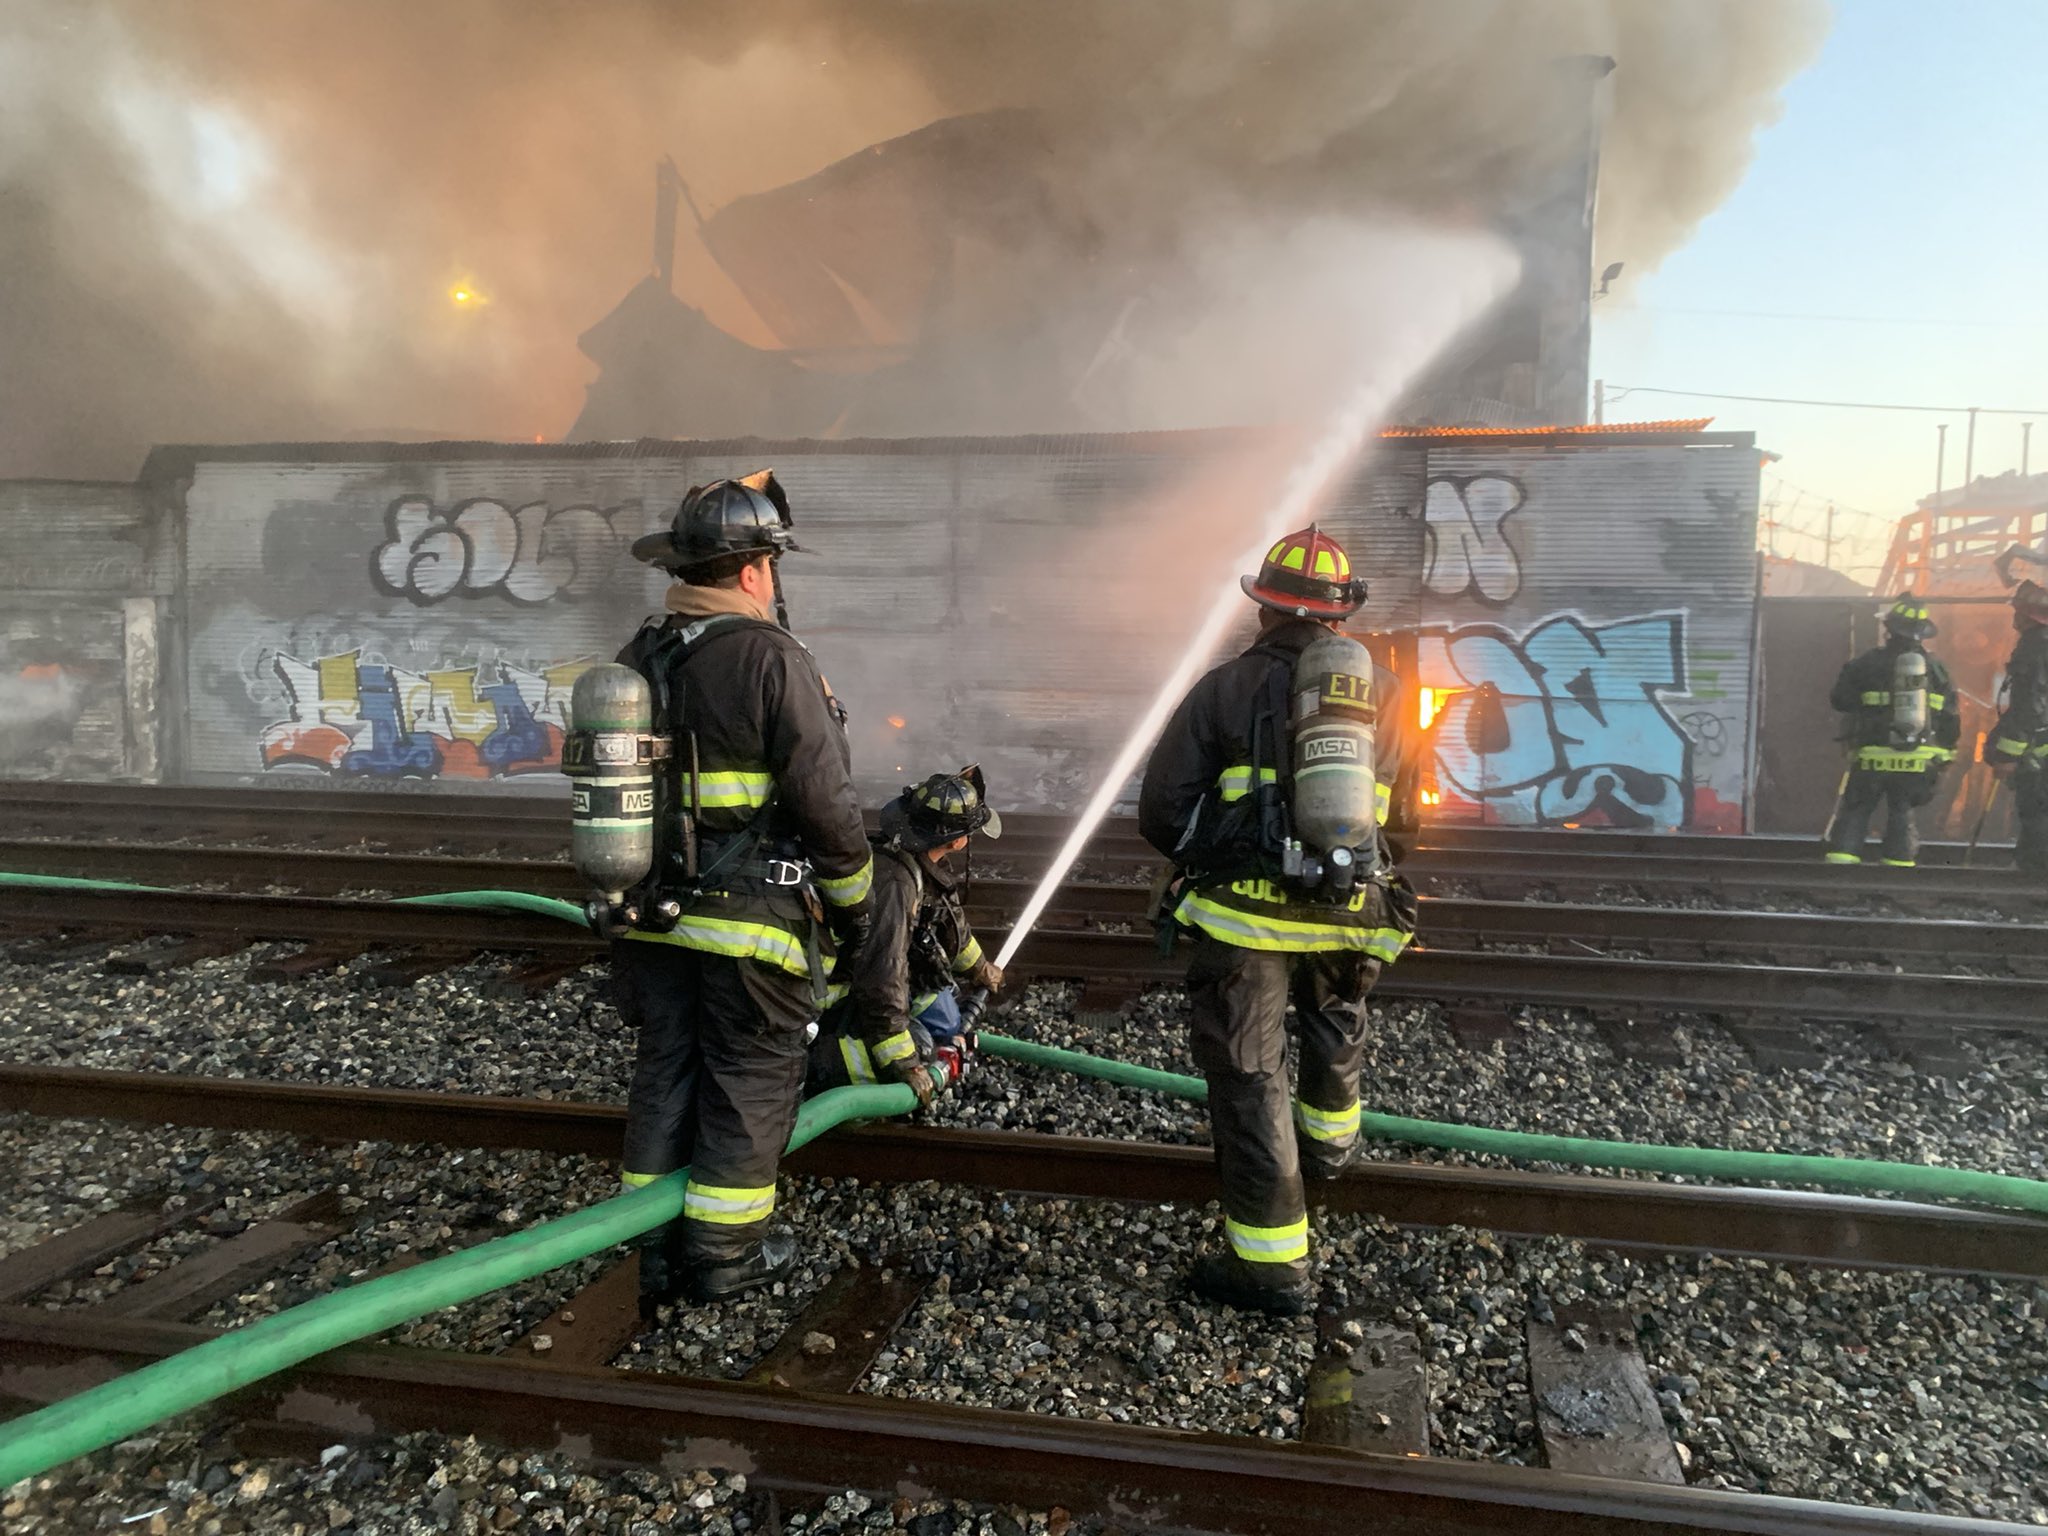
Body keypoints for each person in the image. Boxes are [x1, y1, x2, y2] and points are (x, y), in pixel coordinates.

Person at [1137, 525, 1418, 1318]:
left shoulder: (1222, 689)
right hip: (1350, 911)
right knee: (1337, 1018)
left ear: (1264, 609)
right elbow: (1408, 824)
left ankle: (1270, 1264)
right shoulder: (1389, 695)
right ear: (1341, 618)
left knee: (1251, 1075)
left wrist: (1217, 855)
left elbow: (1162, 812)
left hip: (1244, 923)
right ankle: (1328, 1154)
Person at [612, 470, 875, 1313]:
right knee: (749, 1080)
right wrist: (857, 906)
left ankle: (651, 1249)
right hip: (753, 927)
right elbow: (826, 802)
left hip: (647, 919)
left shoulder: (640, 656)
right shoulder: (769, 657)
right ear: (757, 570)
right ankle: (726, 1255)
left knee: (666, 1071)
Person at [806, 766, 1007, 1100]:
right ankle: (840, 1080)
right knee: (923, 1047)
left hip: (874, 975)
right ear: (956, 840)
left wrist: (981, 969)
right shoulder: (896, 885)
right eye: (970, 833)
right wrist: (904, 1062)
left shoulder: (921, 865)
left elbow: (951, 927)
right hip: (836, 995)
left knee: (947, 1020)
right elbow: (882, 975)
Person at [1819, 595, 1962, 868]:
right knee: (1901, 812)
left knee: (1857, 810)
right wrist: (1947, 752)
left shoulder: (1866, 663)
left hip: (1872, 755)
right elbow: (1951, 716)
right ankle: (1898, 874)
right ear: (1922, 634)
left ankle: (1840, 868)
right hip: (1918, 758)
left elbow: (1840, 700)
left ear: (1890, 629)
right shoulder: (1937, 668)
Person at [1986, 579, 2048, 877]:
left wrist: (2008, 753)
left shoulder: (2035, 647)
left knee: (2036, 811)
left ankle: (2032, 876)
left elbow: (2030, 706)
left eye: (2018, 612)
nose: (2014, 619)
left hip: (2039, 751)